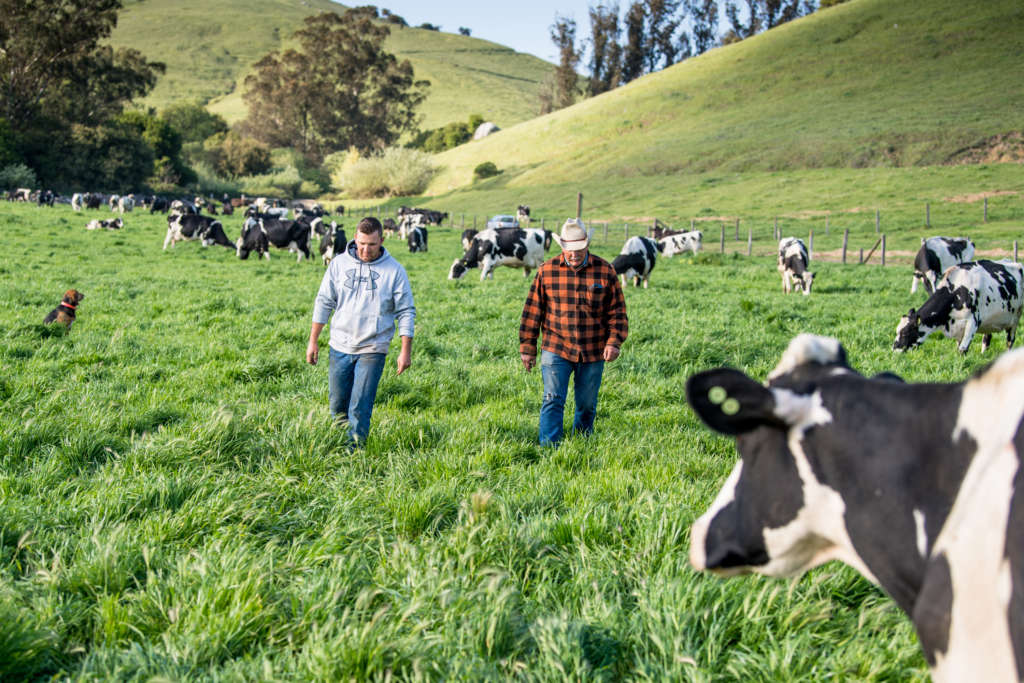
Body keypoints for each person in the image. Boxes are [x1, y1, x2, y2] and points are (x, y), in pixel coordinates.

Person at [519, 218, 628, 447]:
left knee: (587, 403)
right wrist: (528, 348)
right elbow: (532, 311)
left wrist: (614, 342)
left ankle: (581, 443)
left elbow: (617, 311)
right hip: (556, 347)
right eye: (569, 249)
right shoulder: (546, 271)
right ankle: (549, 447)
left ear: (587, 245)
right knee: (552, 398)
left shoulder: (605, 270)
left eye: (579, 249)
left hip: (593, 349)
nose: (574, 254)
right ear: (562, 246)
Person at [307, 217, 415, 446]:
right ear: (355, 239)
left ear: (382, 241)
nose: (366, 249)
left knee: (359, 405)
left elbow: (406, 311)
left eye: (372, 244)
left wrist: (405, 350)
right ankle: (336, 446)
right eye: (362, 243)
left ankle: (354, 455)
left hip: (373, 347)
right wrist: (313, 340)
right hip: (339, 344)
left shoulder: (394, 271)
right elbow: (324, 301)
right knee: (337, 405)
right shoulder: (338, 264)